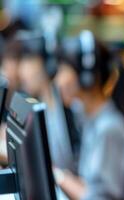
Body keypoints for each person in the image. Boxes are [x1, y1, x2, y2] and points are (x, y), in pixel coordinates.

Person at [54, 30, 124, 200]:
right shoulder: (90, 118)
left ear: (86, 77)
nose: (58, 81)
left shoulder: (109, 129)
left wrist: (58, 176)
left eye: (63, 70)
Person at [16, 30, 78, 172]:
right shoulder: (37, 105)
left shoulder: (69, 104)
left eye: (29, 62)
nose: (22, 72)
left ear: (48, 64)